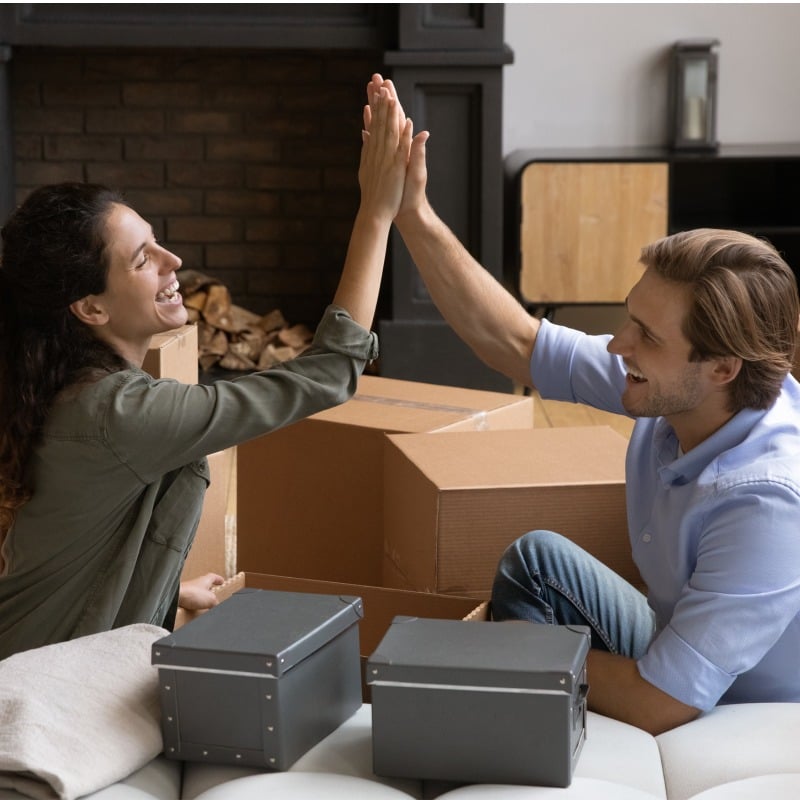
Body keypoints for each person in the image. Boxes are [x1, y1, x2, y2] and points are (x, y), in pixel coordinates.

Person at [375, 76, 800, 735]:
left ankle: (501, 724)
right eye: (628, 319)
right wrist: (412, 213)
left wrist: (500, 655)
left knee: (506, 655)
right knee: (538, 559)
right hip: (679, 646)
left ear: (721, 368)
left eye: (645, 337)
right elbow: (514, 341)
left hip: (733, 704)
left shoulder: (766, 499)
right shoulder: (677, 389)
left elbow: (661, 703)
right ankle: (504, 715)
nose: (619, 344)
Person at [0, 74, 413, 661]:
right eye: (144, 259)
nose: (174, 261)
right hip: (36, 687)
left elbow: (80, 549)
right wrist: (376, 213)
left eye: (157, 240)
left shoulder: (71, 389)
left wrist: (165, 594)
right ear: (90, 307)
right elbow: (327, 377)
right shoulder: (120, 413)